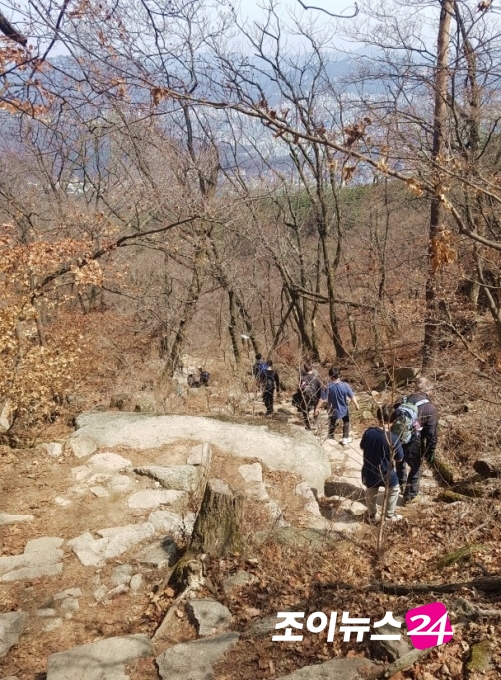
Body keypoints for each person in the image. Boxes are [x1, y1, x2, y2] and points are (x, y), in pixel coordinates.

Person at [394, 376, 439, 504]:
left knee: (400, 460)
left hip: (397, 439)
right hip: (414, 442)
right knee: (415, 468)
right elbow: (431, 434)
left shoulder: (401, 400)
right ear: (428, 390)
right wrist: (430, 452)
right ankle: (410, 496)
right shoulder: (430, 408)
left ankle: (401, 485)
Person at [360, 405, 404, 523]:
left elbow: (362, 447)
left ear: (378, 417)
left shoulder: (368, 432)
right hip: (387, 472)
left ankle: (372, 516)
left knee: (370, 492)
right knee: (394, 490)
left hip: (369, 470)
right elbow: (399, 459)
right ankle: (389, 516)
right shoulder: (393, 438)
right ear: (394, 421)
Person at [321, 367, 359, 444]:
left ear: (330, 376)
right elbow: (352, 396)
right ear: (339, 375)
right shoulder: (345, 385)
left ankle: (330, 435)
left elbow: (323, 399)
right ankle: (345, 438)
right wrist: (356, 405)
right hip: (343, 408)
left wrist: (317, 407)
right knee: (346, 421)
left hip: (332, 408)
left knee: (332, 421)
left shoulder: (328, 386)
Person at [293, 362, 323, 430]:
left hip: (306, 398)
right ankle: (315, 421)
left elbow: (299, 389)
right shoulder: (317, 378)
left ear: (305, 369)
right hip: (315, 398)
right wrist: (321, 399)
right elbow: (322, 388)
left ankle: (308, 425)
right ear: (312, 368)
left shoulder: (303, 379)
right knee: (317, 408)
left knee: (305, 411)